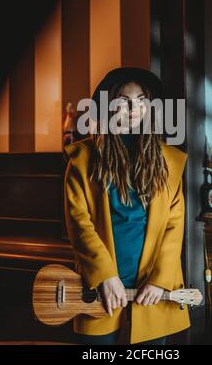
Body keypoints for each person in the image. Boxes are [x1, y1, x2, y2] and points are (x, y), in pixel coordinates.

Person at [63, 67, 190, 345]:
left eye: (141, 99)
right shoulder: (83, 160)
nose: (134, 108)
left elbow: (174, 225)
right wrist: (105, 276)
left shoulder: (169, 161)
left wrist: (160, 279)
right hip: (98, 286)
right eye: (123, 100)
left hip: (153, 287)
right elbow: (79, 223)